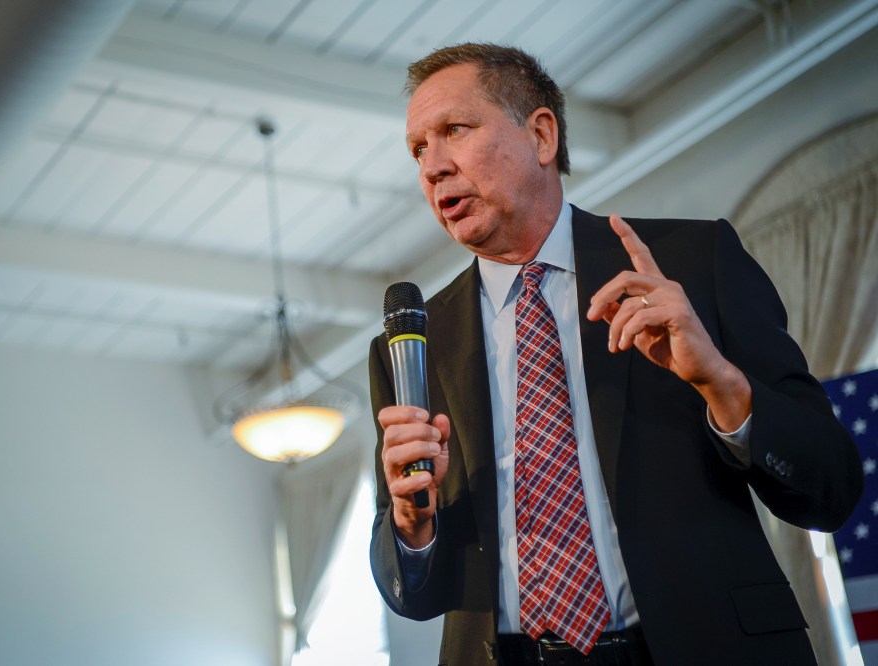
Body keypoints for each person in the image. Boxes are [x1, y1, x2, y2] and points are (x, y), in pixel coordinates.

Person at [369, 43, 862, 666]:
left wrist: (722, 383)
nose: (433, 167)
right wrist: (411, 524)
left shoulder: (690, 264)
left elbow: (831, 488)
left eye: (454, 131)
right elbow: (412, 594)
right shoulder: (411, 345)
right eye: (418, 149)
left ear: (541, 135)